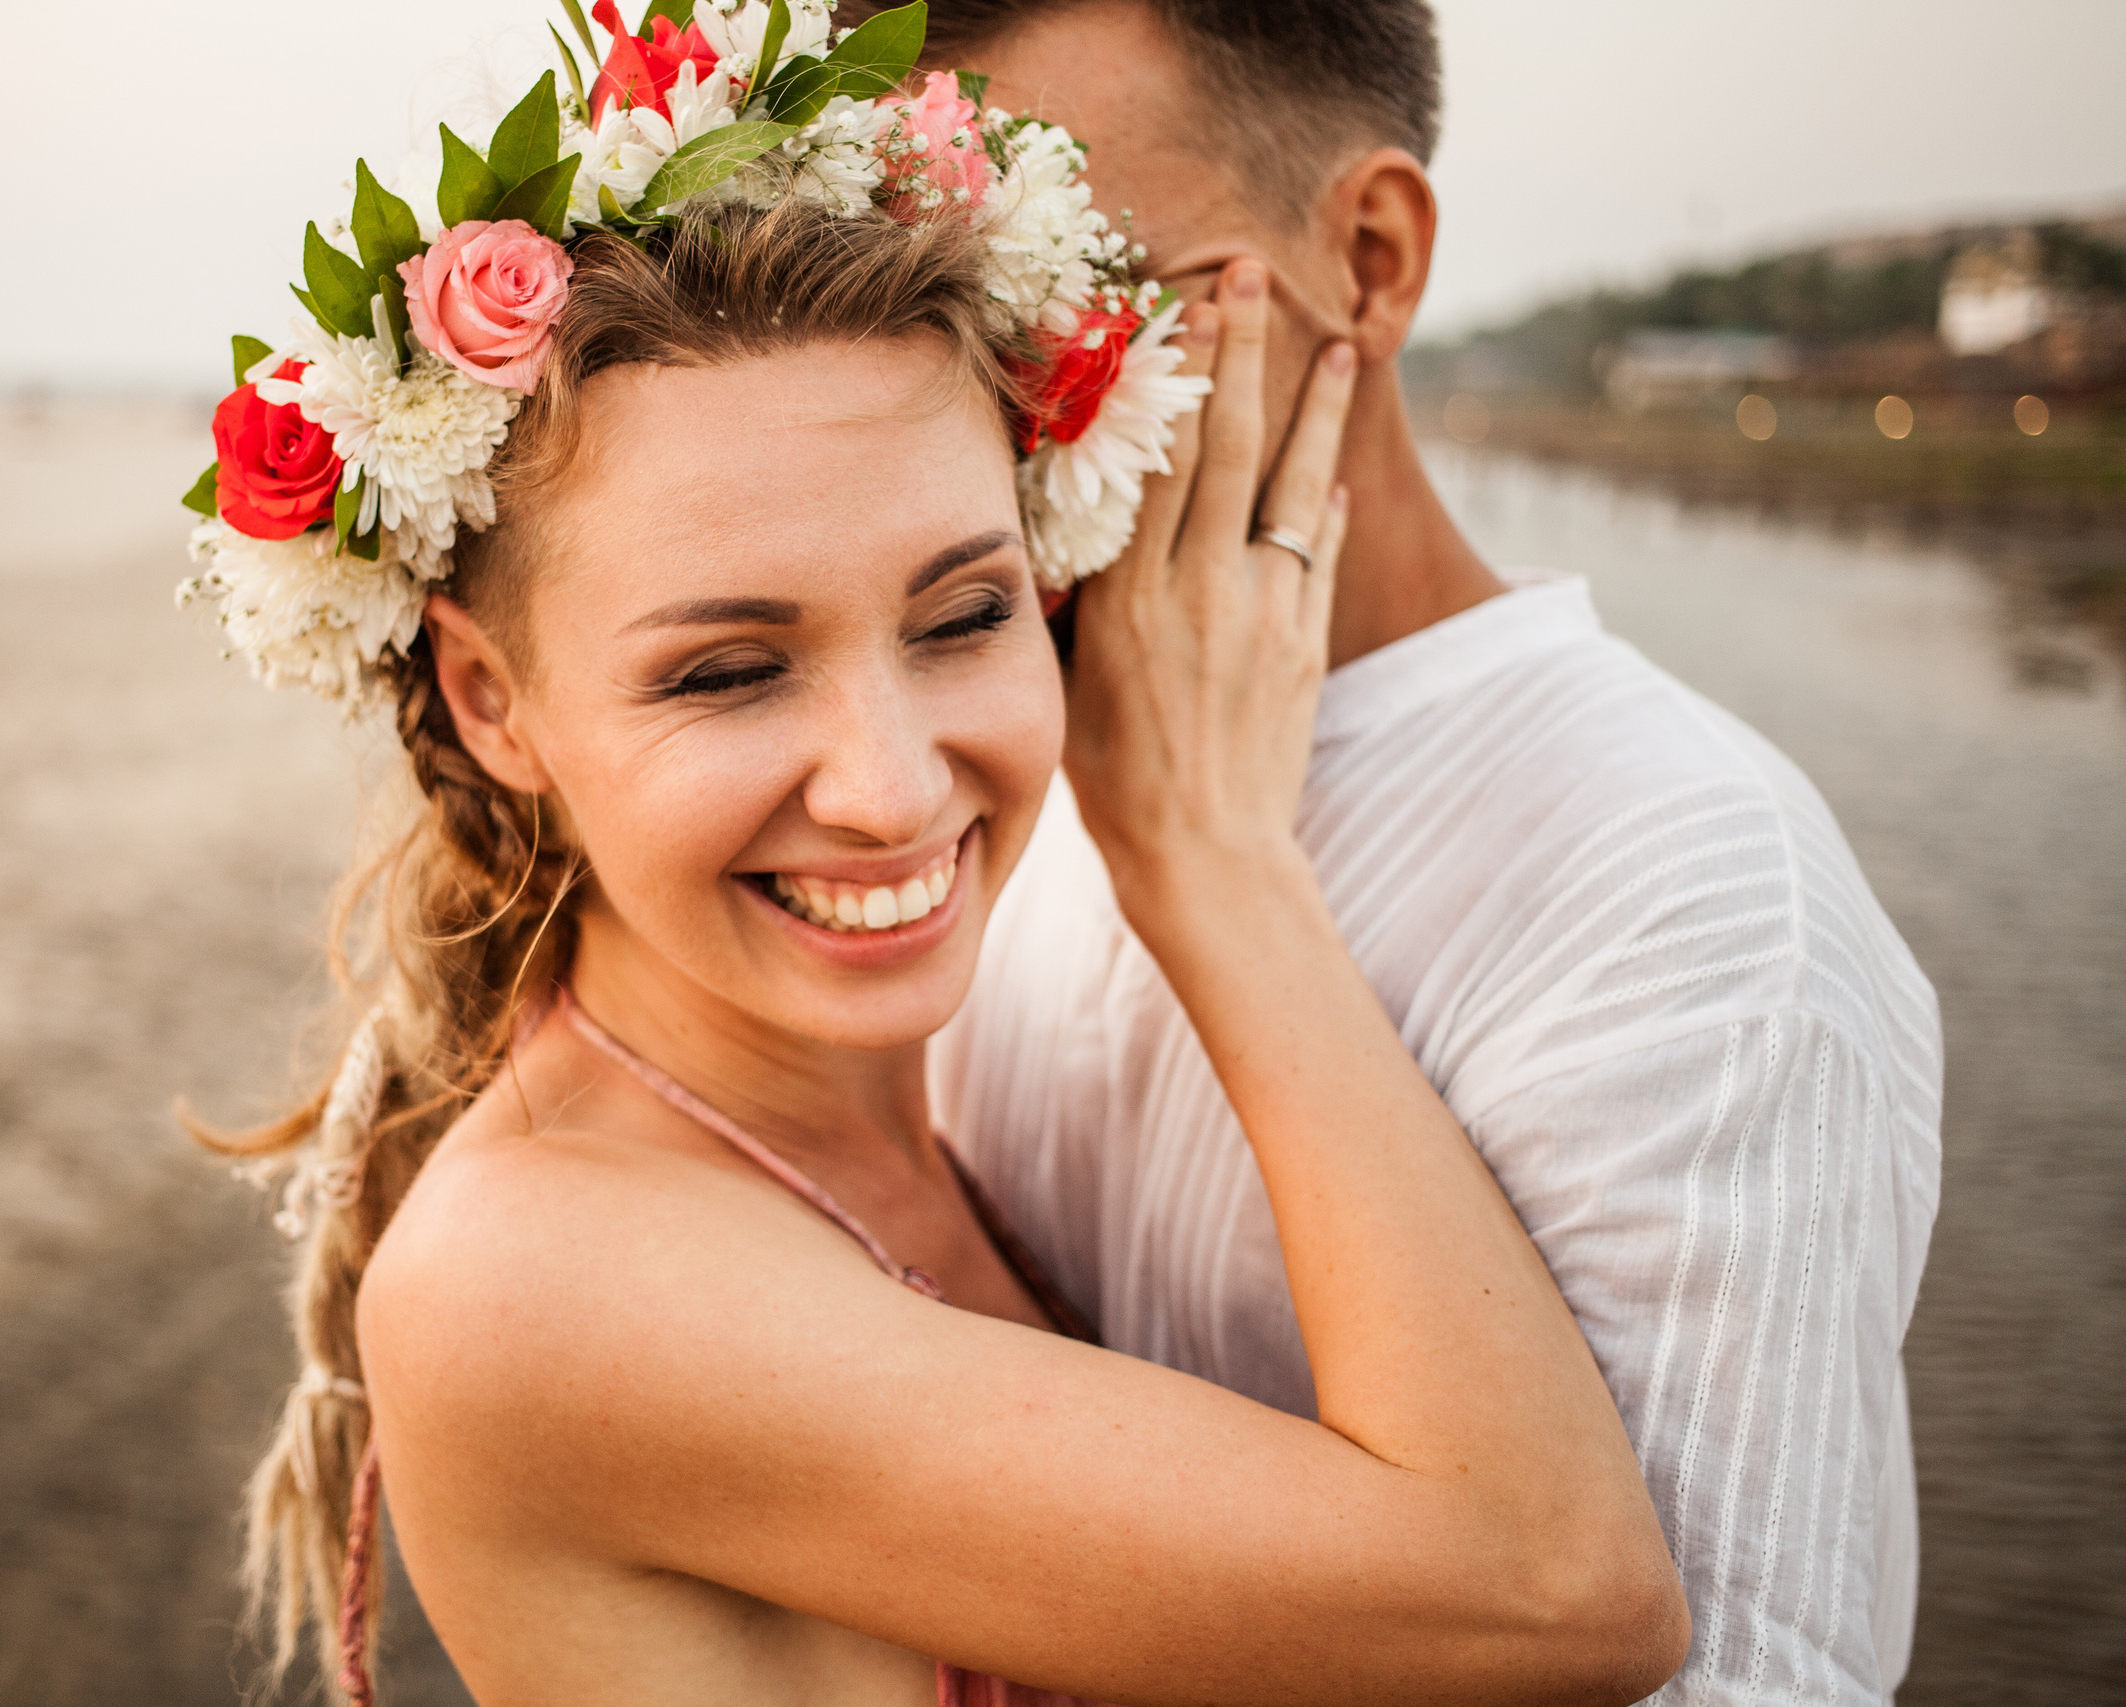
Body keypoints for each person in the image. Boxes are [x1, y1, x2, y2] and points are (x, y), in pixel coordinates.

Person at [181, 7, 1687, 1703]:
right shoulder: (545, 1282)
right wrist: (1214, 864)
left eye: (965, 613)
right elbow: (1561, 1593)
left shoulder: (882, 1094)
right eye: (729, 670)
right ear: (489, 698)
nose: (895, 796)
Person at [831, 1, 1946, 1701]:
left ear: (1368, 257)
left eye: (1057, 305)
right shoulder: (973, 781)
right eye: (926, 319)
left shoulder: (1697, 894)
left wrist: (1210, 871)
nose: (986, 413)